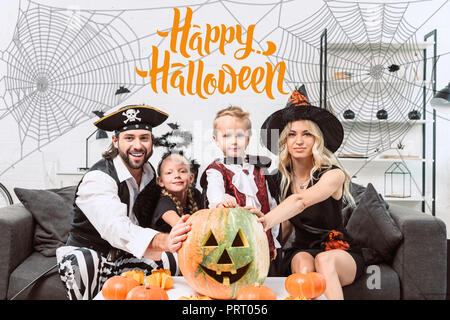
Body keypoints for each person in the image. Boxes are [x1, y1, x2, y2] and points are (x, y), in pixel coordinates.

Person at [56, 105, 192, 300]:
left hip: (126, 256)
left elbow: (162, 205)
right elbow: (116, 228)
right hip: (94, 256)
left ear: (151, 142)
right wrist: (164, 240)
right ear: (115, 141)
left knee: (171, 258)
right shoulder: (98, 178)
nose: (138, 146)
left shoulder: (150, 173)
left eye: (144, 138)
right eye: (129, 138)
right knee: (82, 262)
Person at [249, 85, 365, 300]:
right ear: (284, 140)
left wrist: (265, 221)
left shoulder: (333, 175)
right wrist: (265, 253)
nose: (299, 141)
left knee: (324, 261)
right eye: (292, 134)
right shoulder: (278, 179)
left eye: (307, 134)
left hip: (339, 252)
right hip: (302, 249)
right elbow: (286, 223)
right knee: (303, 265)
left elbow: (300, 201)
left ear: (317, 140)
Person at [199, 106, 281, 274]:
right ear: (216, 140)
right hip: (233, 241)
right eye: (227, 136)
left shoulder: (259, 168)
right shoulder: (216, 170)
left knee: (264, 278)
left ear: (248, 139)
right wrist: (222, 200)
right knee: (237, 277)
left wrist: (273, 242)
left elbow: (270, 204)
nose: (234, 141)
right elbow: (214, 192)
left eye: (239, 135)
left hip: (261, 238)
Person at [149, 151, 203, 233]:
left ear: (191, 178)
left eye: (182, 171)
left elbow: (207, 217)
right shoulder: (163, 202)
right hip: (168, 244)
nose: (177, 175)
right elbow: (180, 226)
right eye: (169, 172)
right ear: (160, 181)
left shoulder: (195, 194)